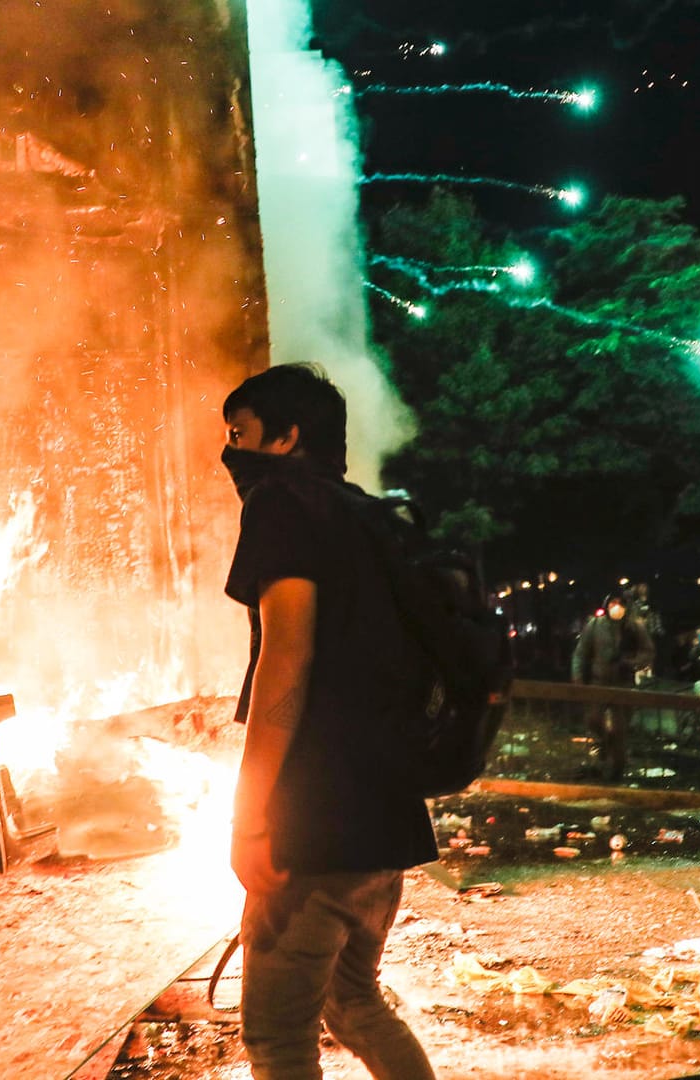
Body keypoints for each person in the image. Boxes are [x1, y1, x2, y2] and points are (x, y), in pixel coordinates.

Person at [219, 364, 437, 1080]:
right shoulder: (369, 516)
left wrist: (250, 816)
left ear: (287, 438)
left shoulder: (281, 504)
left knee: (279, 1043)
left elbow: (287, 659)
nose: (231, 449)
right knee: (355, 1004)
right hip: (387, 818)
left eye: (241, 433)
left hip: (316, 825)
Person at [571, 592, 655, 779]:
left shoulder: (634, 627)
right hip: (598, 682)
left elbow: (647, 651)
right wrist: (578, 678)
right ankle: (603, 747)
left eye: (620, 603)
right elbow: (581, 653)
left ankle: (617, 769)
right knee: (594, 720)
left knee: (619, 729)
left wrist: (631, 662)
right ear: (607, 605)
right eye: (613, 603)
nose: (616, 607)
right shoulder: (595, 625)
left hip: (622, 683)